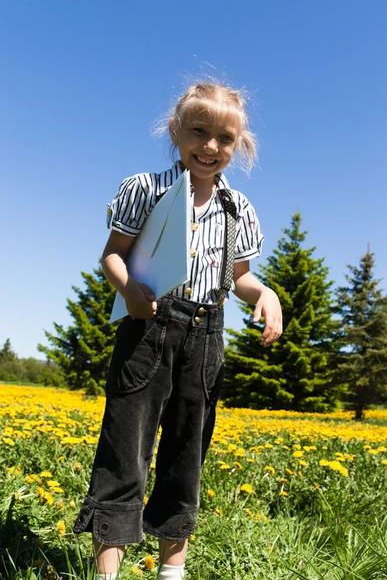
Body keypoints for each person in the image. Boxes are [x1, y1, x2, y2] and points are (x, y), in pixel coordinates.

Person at [73, 81, 283, 579]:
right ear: (175, 131)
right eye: (199, 131)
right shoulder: (145, 189)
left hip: (207, 333)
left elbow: (241, 278)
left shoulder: (239, 210)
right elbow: (113, 255)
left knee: (186, 454)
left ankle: (172, 571)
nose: (210, 146)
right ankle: (107, 572)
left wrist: (266, 295)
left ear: (239, 145)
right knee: (126, 449)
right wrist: (129, 291)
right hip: (148, 328)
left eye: (224, 138)